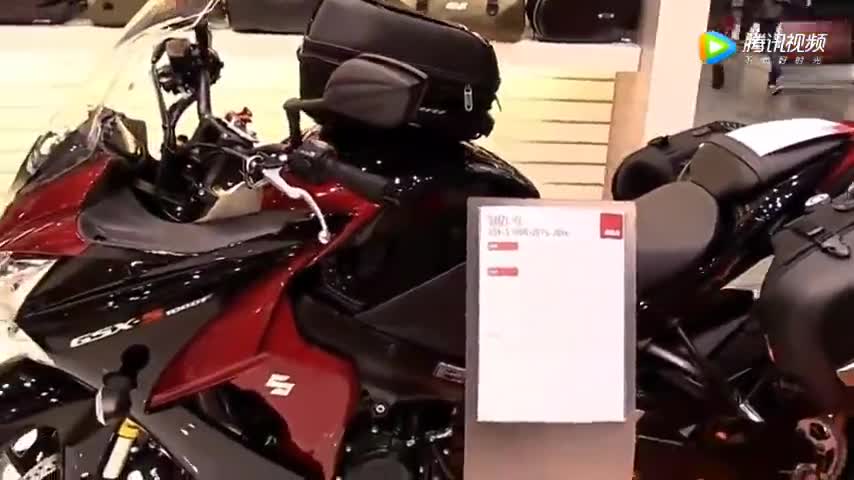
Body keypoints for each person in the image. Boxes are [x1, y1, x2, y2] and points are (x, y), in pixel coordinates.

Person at [750, 0, 785, 88]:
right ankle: (772, 80)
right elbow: (758, 16)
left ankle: (776, 79)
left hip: (773, 34)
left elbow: (768, 16)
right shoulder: (766, 6)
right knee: (770, 59)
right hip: (767, 33)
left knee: (773, 59)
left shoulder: (776, 7)